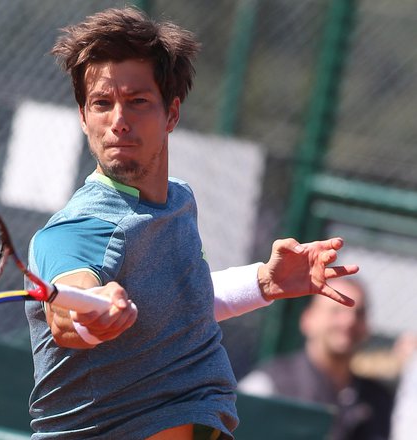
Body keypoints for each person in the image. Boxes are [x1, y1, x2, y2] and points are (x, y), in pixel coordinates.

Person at [24, 7, 358, 439]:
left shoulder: (177, 200)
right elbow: (66, 313)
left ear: (172, 114)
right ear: (84, 117)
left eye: (138, 102)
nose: (118, 121)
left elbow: (176, 305)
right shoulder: (78, 228)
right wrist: (94, 315)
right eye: (102, 104)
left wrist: (263, 282)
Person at [238, 278, 394, 440]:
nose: (349, 321)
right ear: (308, 319)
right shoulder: (270, 385)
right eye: (336, 310)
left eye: (359, 313)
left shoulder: (378, 400)